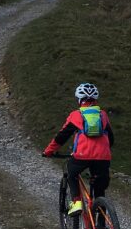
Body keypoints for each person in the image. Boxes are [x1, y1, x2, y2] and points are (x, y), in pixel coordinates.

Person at [42, 83, 114, 215]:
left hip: (82, 156)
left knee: (71, 172)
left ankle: (76, 202)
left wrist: (48, 151)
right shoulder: (103, 115)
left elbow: (61, 136)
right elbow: (111, 138)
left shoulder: (76, 115)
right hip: (103, 158)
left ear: (80, 99)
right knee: (99, 192)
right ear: (95, 100)